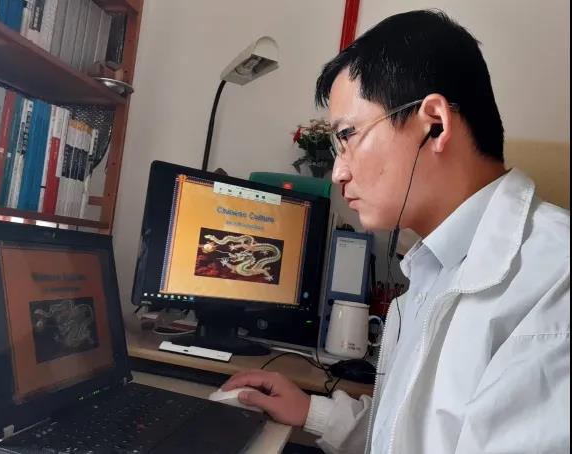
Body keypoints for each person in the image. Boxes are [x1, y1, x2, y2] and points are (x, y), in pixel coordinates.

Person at [222, 10, 570, 454]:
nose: (338, 172)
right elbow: (410, 434)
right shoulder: (434, 265)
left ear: (435, 124)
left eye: (348, 136)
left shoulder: (553, 285)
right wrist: (313, 413)